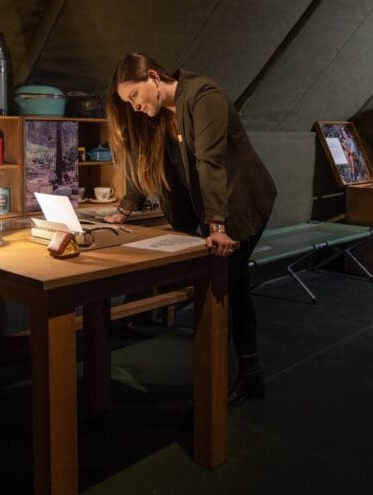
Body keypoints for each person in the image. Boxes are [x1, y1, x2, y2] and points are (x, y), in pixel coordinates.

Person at [103, 52, 277, 404]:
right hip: (213, 209)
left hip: (241, 203)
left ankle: (245, 373)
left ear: (153, 78)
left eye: (134, 96)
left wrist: (217, 224)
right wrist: (125, 209)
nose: (134, 106)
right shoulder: (156, 117)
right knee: (229, 283)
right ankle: (246, 371)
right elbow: (142, 157)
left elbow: (210, 161)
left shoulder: (203, 95)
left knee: (228, 283)